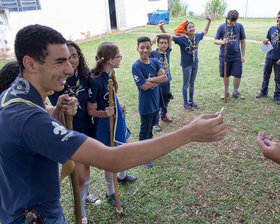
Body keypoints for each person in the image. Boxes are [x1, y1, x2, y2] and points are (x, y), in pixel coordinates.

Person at [0, 24, 226, 224]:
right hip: (36, 217)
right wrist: (188, 133)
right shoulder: (27, 117)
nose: (69, 69)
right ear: (30, 63)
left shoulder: (11, 96)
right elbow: (112, 159)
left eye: (70, 60)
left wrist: (56, 109)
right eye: (60, 62)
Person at [48, 41, 101, 224]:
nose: (72, 60)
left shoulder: (85, 77)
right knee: (78, 175)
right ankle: (81, 212)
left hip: (87, 127)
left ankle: (85, 195)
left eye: (75, 55)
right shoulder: (57, 82)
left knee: (86, 169)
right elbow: (57, 110)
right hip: (70, 132)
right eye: (67, 57)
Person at [87, 42, 137, 208]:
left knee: (125, 147)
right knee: (111, 158)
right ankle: (110, 192)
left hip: (117, 119)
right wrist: (103, 113)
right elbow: (91, 109)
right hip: (105, 123)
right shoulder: (95, 80)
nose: (121, 58)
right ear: (109, 59)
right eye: (118, 56)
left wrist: (117, 105)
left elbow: (109, 96)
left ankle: (122, 176)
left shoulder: (109, 73)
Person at [132, 36, 169, 167]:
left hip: (156, 101)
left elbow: (164, 77)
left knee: (151, 128)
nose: (145, 50)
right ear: (137, 49)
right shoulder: (136, 66)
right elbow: (143, 86)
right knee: (145, 130)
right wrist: (155, 79)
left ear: (151, 48)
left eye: (147, 47)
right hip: (146, 104)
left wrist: (150, 80)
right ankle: (143, 156)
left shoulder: (154, 61)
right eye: (142, 47)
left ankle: (150, 150)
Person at [168, 16, 211, 110]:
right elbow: (169, 37)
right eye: (190, 27)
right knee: (186, 84)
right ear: (186, 31)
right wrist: (161, 28)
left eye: (193, 27)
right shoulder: (182, 39)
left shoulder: (197, 37)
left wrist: (209, 21)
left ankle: (191, 101)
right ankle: (186, 103)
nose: (192, 28)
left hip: (195, 64)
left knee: (192, 83)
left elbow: (205, 31)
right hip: (186, 65)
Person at [214, 10, 246, 100]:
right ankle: (226, 92)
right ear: (228, 19)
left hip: (236, 55)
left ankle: (235, 92)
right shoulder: (222, 27)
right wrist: (222, 42)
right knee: (225, 74)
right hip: (224, 55)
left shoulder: (239, 26)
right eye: (231, 21)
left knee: (237, 74)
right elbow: (215, 40)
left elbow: (243, 41)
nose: (232, 23)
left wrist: (243, 55)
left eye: (234, 21)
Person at [150, 32, 173, 132]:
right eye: (161, 43)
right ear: (157, 44)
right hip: (158, 83)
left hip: (167, 81)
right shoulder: (153, 54)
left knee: (166, 99)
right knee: (157, 102)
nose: (164, 45)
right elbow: (146, 49)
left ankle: (163, 115)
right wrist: (154, 37)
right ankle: (155, 123)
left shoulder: (167, 51)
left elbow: (170, 36)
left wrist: (160, 33)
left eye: (165, 43)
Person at [256, 11, 280, 104]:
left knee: (278, 78)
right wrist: (265, 41)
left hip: (278, 59)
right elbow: (269, 39)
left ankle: (277, 96)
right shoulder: (272, 29)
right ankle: (263, 92)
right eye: (277, 17)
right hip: (269, 56)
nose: (278, 19)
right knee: (266, 75)